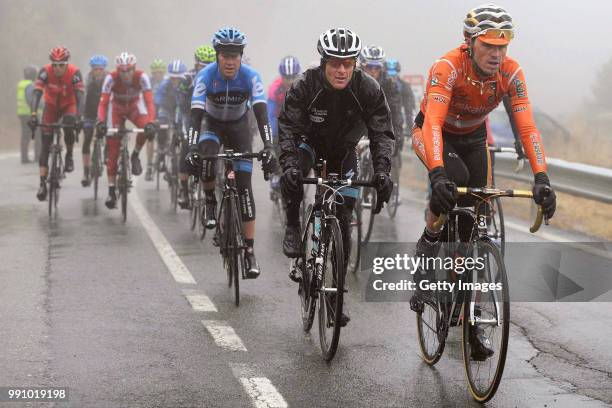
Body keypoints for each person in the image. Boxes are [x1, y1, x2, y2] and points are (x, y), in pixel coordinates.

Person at [409, 4, 556, 360]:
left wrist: (542, 177)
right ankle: (427, 248)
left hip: (474, 141)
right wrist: (437, 172)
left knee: (476, 229)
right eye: (489, 45)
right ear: (469, 41)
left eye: (503, 46)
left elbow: (528, 128)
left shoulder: (511, 73)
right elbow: (431, 123)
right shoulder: (448, 67)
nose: (497, 53)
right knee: (452, 184)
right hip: (435, 133)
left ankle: (473, 322)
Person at [278, 28, 395, 325]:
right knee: (292, 176)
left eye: (348, 63)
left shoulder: (368, 88)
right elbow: (288, 127)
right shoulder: (306, 84)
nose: (342, 70)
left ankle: (334, 295)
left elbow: (381, 132)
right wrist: (290, 163)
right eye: (334, 63)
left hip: (344, 151)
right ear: (323, 62)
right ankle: (293, 225)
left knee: (343, 219)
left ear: (355, 62)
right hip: (309, 143)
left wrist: (382, 170)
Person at [185, 27, 277, 278]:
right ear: (217, 56)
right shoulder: (205, 76)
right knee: (206, 154)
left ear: (241, 57)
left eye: (234, 56)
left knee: (245, 187)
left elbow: (261, 115)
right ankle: (211, 202)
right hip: (211, 125)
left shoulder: (251, 76)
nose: (229, 61)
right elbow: (195, 117)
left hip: (239, 128)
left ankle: (249, 251)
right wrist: (191, 147)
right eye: (225, 55)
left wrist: (269, 146)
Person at [95, 52, 157, 209]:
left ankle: (135, 155)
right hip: (116, 109)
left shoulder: (142, 77)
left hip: (135, 107)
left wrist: (150, 122)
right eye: (122, 71)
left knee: (145, 129)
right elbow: (103, 103)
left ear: (134, 68)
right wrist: (101, 122)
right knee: (113, 150)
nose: (126, 74)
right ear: (118, 70)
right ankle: (111, 191)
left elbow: (149, 102)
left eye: (129, 70)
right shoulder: (111, 78)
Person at [28, 46, 84, 201]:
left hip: (69, 105)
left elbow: (80, 97)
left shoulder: (75, 73)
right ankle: (42, 184)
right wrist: (33, 115)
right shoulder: (45, 72)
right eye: (55, 64)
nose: (57, 68)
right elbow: (37, 93)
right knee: (45, 145)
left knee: (69, 124)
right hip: (51, 106)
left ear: (67, 64)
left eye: (61, 64)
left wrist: (79, 117)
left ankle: (70, 155)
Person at [176, 45, 216, 209]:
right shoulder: (187, 78)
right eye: (202, 65)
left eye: (209, 64)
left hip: (210, 114)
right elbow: (181, 102)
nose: (205, 68)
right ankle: (184, 190)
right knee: (187, 143)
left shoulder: (218, 76)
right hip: (190, 113)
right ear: (196, 64)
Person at [267, 56, 301, 200]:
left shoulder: (303, 85)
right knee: (277, 142)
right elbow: (270, 115)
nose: (290, 81)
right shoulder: (275, 88)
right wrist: (274, 135)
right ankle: (276, 173)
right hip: (278, 119)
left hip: (297, 121)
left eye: (293, 77)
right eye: (287, 77)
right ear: (282, 76)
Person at [359, 46, 403, 150]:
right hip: (356, 127)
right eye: (369, 67)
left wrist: (397, 134)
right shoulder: (352, 80)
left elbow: (395, 111)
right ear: (362, 66)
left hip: (379, 127)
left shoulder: (389, 84)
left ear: (382, 68)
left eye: (377, 67)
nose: (373, 71)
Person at [153, 59, 187, 182]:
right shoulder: (165, 84)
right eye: (172, 78)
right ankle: (161, 152)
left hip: (181, 111)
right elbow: (157, 99)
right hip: (167, 109)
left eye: (178, 78)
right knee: (162, 126)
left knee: (183, 133)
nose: (175, 81)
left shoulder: (188, 83)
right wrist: (156, 118)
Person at [81, 55, 108, 187]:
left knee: (111, 134)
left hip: (105, 113)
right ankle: (86, 171)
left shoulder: (109, 79)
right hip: (89, 113)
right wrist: (79, 115)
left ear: (104, 69)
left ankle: (108, 152)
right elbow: (82, 98)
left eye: (100, 69)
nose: (97, 71)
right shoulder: (87, 79)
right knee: (87, 139)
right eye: (95, 69)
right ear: (91, 69)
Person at [144, 59, 167, 181]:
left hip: (162, 109)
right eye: (155, 72)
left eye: (160, 72)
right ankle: (149, 165)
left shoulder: (167, 81)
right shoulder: (148, 82)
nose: (158, 75)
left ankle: (163, 155)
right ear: (152, 73)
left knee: (165, 132)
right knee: (150, 137)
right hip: (151, 110)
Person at [385, 58, 416, 140]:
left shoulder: (404, 86)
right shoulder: (378, 84)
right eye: (389, 75)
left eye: (393, 74)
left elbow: (409, 109)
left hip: (397, 120)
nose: (391, 77)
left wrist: (410, 128)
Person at [17, 65, 40, 163]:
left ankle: (24, 157)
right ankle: (38, 157)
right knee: (38, 135)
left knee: (25, 136)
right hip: (30, 114)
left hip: (22, 113)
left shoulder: (21, 84)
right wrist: (42, 105)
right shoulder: (30, 85)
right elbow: (31, 99)